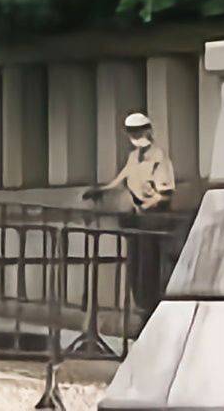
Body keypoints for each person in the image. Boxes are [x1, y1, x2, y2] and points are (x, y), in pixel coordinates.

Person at [82, 111, 179, 316]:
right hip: (137, 219)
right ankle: (141, 305)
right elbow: (122, 178)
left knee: (150, 266)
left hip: (154, 218)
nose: (135, 137)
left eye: (139, 132)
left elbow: (165, 194)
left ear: (148, 131)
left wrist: (147, 206)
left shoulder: (158, 157)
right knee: (136, 266)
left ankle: (150, 309)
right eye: (132, 133)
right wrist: (101, 190)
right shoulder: (134, 157)